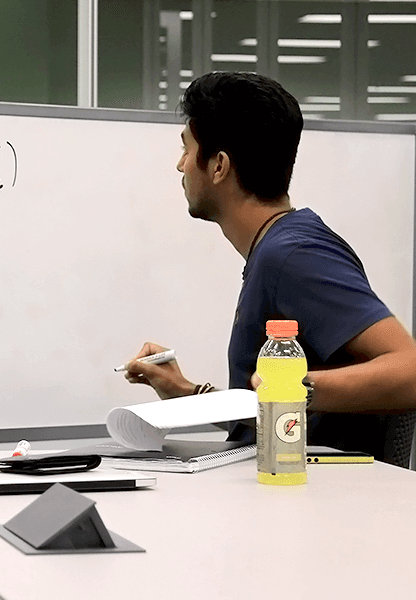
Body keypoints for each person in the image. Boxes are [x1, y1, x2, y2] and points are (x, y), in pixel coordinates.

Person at [124, 71, 416, 457]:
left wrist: (293, 385)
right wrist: (188, 392)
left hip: (311, 501)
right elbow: (272, 414)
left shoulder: (293, 255)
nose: (181, 166)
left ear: (218, 166)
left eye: (187, 149)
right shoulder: (275, 250)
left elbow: (410, 370)